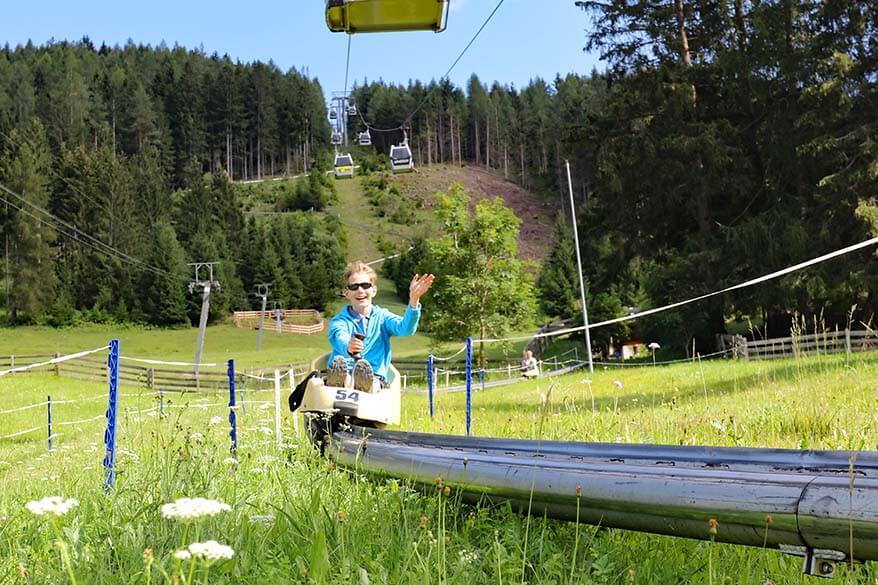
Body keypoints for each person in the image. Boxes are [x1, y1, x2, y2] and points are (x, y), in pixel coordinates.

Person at [326, 261, 434, 392]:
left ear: (374, 290)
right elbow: (339, 336)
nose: (360, 290)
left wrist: (414, 300)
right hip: (345, 369)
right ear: (346, 293)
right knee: (347, 379)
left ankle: (364, 385)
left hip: (374, 374)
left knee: (372, 384)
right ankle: (340, 381)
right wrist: (348, 346)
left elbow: (405, 329)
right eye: (354, 287)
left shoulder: (383, 317)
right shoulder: (339, 321)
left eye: (365, 285)